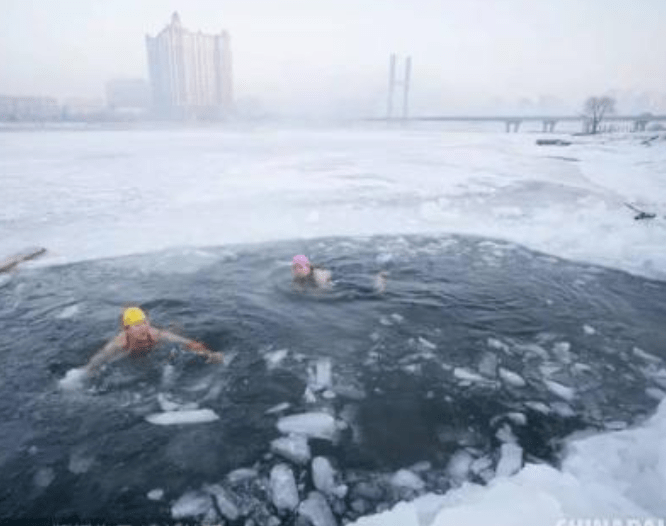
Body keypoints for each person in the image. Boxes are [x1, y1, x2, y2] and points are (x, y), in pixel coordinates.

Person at [82, 306, 223, 377]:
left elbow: (187, 342)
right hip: (132, 353)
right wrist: (86, 372)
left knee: (176, 333)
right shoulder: (120, 341)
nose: (143, 327)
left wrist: (209, 353)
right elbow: (99, 357)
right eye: (137, 325)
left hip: (154, 348)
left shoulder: (155, 333)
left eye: (144, 322)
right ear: (127, 328)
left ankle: (175, 325)